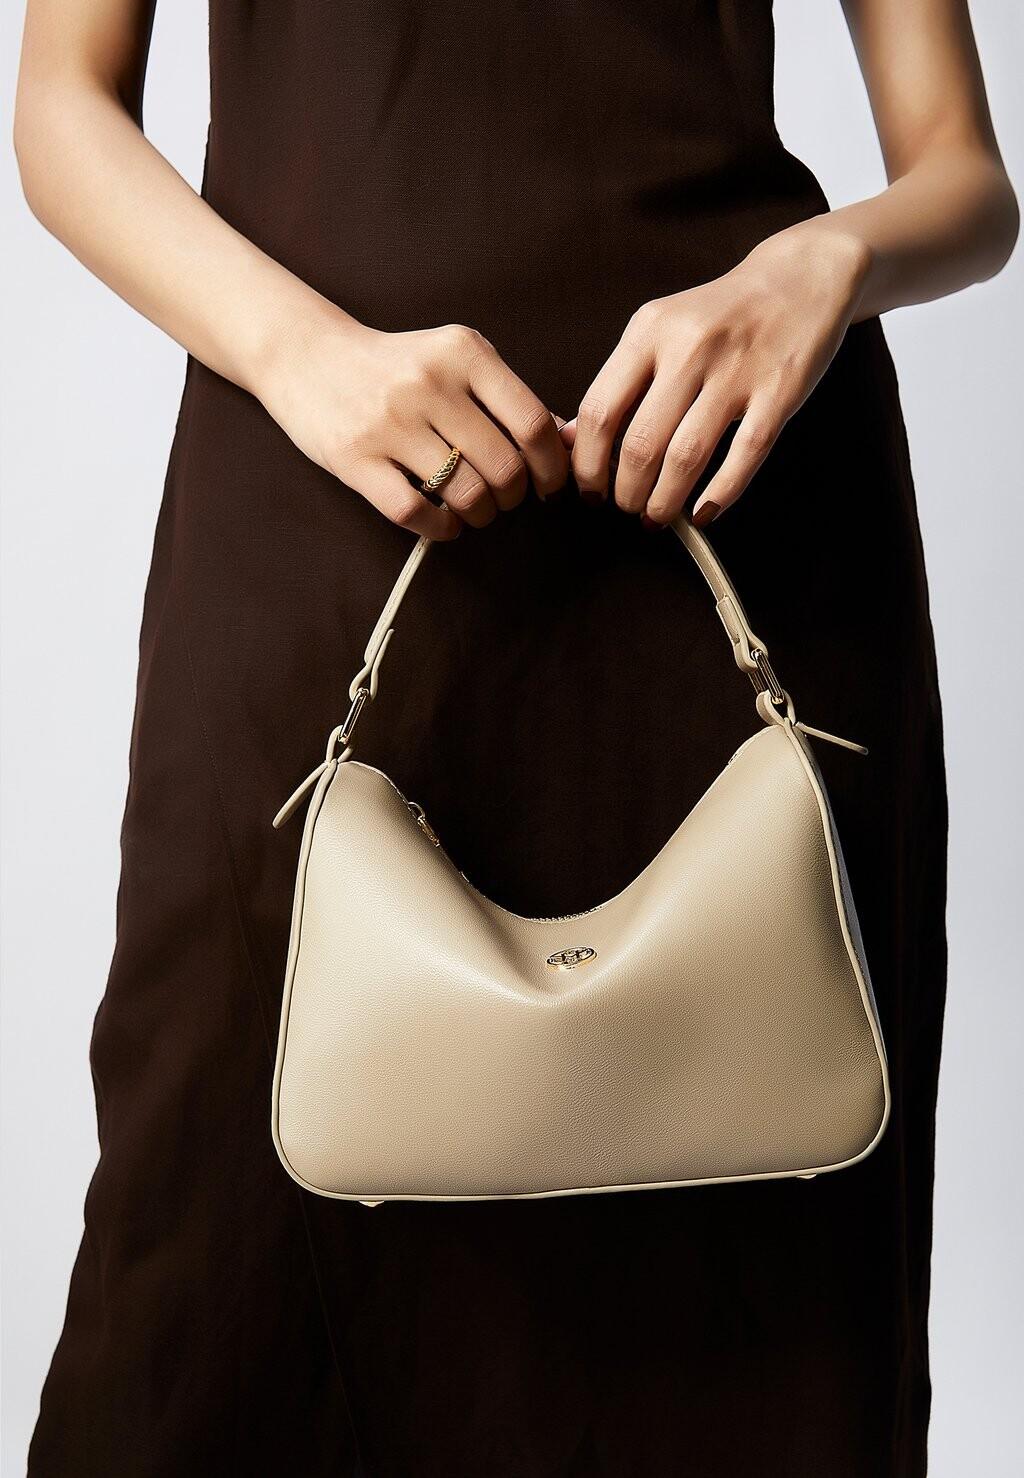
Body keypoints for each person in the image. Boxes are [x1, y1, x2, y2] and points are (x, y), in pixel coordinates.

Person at [14, 2, 1016, 1475]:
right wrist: (300, 358)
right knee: (204, 1292)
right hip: (319, 503)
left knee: (766, 1295)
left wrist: (820, 266)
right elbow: (60, 111)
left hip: (736, 516)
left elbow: (965, 177)